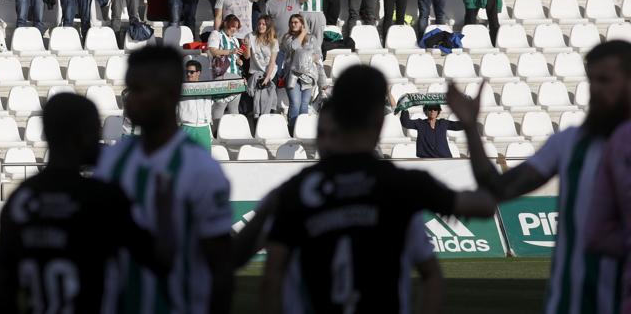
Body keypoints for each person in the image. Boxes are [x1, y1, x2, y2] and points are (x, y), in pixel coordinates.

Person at [261, 65, 497, 314]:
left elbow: (271, 278)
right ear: (379, 119)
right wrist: (470, 127)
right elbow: (485, 205)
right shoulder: (405, 185)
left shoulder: (296, 190)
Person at [447, 40, 631, 314]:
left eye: (605, 80)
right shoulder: (568, 143)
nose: (594, 89)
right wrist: (471, 129)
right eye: (591, 80)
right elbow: (498, 188)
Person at [0, 91, 175, 312]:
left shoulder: (20, 199)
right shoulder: (101, 197)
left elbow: (3, 294)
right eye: (95, 129)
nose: (99, 136)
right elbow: (160, 260)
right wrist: (165, 208)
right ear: (81, 135)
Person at [94, 46, 233, 314]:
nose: (130, 99)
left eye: (139, 89)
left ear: (169, 94)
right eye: (130, 89)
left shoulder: (201, 169)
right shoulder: (112, 162)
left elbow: (219, 264)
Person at [399, 103, 464, 158]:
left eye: (435, 109)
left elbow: (457, 126)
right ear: (426, 111)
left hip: (445, 159)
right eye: (430, 109)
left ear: (438, 111)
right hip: (426, 160)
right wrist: (405, 108)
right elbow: (406, 123)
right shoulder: (420, 123)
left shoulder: (443, 123)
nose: (432, 111)